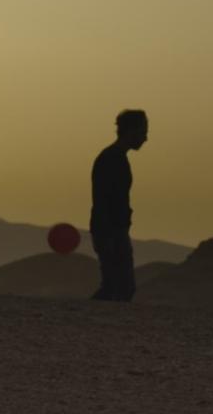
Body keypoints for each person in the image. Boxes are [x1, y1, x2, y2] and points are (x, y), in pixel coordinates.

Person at [90, 109, 148, 302]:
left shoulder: (116, 158)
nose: (145, 138)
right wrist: (110, 234)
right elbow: (104, 200)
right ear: (131, 131)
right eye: (142, 132)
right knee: (119, 288)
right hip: (110, 230)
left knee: (116, 287)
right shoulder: (111, 159)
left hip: (113, 230)